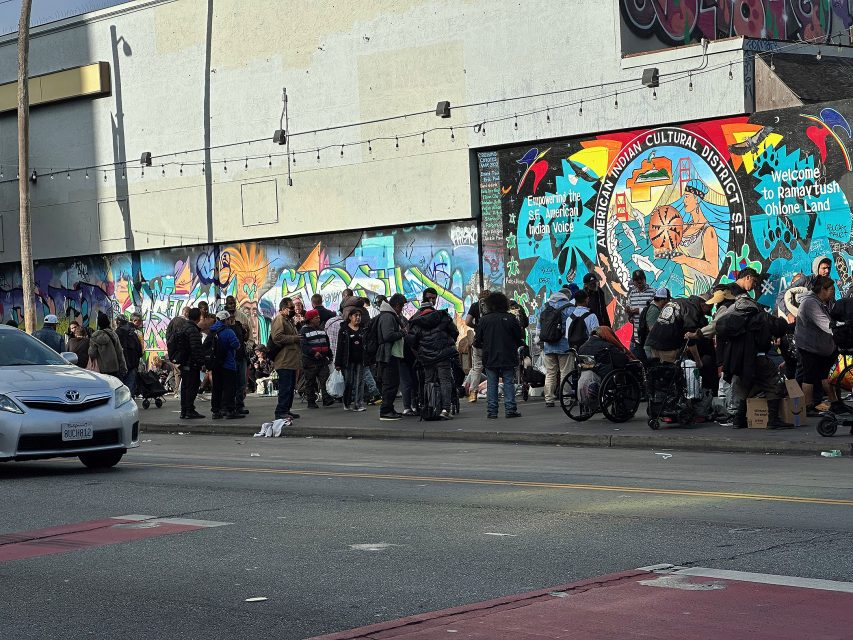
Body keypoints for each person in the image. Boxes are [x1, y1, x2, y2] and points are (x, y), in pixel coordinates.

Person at [708, 268, 792, 429]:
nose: (754, 286)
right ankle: (773, 419)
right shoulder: (757, 314)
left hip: (737, 357)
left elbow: (718, 330)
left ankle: (739, 419)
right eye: (754, 281)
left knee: (744, 385)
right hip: (755, 356)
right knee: (773, 382)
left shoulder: (736, 314)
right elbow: (773, 329)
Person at [795, 275, 847, 416]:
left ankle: (835, 403)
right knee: (809, 377)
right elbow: (826, 324)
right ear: (822, 290)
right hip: (809, 347)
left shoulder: (825, 302)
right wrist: (843, 330)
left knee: (825, 376)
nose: (833, 292)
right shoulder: (811, 304)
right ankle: (808, 406)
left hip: (822, 347)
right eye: (831, 289)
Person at [409, 289, 460, 420]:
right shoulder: (443, 316)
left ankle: (431, 407)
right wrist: (447, 343)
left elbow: (411, 341)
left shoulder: (416, 321)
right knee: (445, 381)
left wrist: (421, 350)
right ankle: (445, 409)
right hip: (443, 355)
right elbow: (454, 332)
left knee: (428, 381)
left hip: (426, 357)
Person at [474, 292, 524, 419]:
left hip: (490, 355)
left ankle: (492, 411)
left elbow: (477, 340)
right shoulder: (511, 318)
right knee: (508, 381)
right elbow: (519, 337)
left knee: (492, 383)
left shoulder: (484, 320)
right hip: (508, 354)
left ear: (490, 305)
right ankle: (510, 409)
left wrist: (485, 347)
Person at [541, 287, 575, 408]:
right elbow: (572, 327)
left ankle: (549, 399)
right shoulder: (570, 307)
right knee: (565, 372)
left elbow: (541, 327)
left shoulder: (546, 306)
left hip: (548, 345)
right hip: (564, 345)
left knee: (550, 373)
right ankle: (566, 399)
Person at [375, 293, 407, 420]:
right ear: (397, 305)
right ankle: (386, 410)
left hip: (392, 354)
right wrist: (402, 333)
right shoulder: (388, 316)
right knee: (390, 383)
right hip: (388, 355)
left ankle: (389, 408)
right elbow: (387, 335)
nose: (402, 309)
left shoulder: (389, 315)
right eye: (402, 306)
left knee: (393, 383)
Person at [207, 310, 243, 420]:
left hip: (216, 365)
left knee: (217, 388)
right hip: (228, 364)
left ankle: (216, 411)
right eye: (229, 319)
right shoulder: (228, 332)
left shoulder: (212, 331)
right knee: (229, 388)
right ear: (226, 320)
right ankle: (229, 410)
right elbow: (236, 345)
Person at [270, 297, 302, 421]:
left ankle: (287, 409)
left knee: (290, 387)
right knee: (285, 387)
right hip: (284, 360)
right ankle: (281, 411)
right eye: (291, 308)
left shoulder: (288, 320)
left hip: (291, 360)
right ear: (283, 309)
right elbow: (277, 337)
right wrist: (294, 338)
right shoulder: (279, 320)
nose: (294, 310)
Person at [173, 307, 205, 419]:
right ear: (198, 317)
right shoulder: (193, 330)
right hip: (191, 363)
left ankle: (185, 410)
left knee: (186, 387)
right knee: (192, 386)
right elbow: (195, 348)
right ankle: (189, 410)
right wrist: (201, 362)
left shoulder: (184, 327)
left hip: (184, 362)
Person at [299, 309, 334, 409]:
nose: (318, 319)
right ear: (310, 319)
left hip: (322, 360)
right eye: (316, 318)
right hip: (310, 361)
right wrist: (313, 352)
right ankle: (311, 401)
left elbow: (326, 342)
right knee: (310, 381)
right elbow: (304, 346)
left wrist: (329, 355)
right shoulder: (304, 330)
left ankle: (326, 399)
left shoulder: (321, 329)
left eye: (318, 317)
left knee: (325, 379)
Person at [335, 307, 367, 411]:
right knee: (349, 382)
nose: (358, 318)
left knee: (359, 382)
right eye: (355, 316)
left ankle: (358, 404)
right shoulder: (344, 330)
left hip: (360, 360)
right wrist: (338, 363)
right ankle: (347, 402)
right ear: (350, 317)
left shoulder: (363, 329)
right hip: (347, 361)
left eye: (359, 316)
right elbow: (339, 347)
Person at [225, 296, 251, 415]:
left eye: (233, 303)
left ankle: (239, 405)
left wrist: (247, 333)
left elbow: (247, 337)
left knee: (241, 382)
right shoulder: (222, 317)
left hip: (241, 355)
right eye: (229, 303)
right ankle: (229, 406)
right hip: (229, 356)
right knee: (230, 383)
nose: (232, 305)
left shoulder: (242, 317)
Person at [465, 289, 491, 402]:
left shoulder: (475, 306)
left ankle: (473, 393)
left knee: (476, 368)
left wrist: (476, 326)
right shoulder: (493, 306)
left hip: (478, 342)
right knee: (491, 368)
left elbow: (467, 322)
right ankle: (492, 393)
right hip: (491, 342)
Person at [626, 270, 656, 362]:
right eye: (636, 279)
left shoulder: (653, 292)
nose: (638, 281)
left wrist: (638, 310)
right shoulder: (632, 294)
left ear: (645, 279)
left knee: (649, 361)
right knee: (634, 361)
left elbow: (654, 310)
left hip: (648, 334)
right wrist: (629, 312)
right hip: (636, 334)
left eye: (641, 279)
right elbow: (629, 307)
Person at [88, 313, 127, 378]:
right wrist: (123, 367)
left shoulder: (95, 336)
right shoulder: (113, 334)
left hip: (101, 369)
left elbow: (92, 353)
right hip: (114, 367)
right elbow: (120, 352)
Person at [117, 313, 144, 396]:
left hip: (120, 364)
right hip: (132, 364)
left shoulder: (117, 333)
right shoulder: (135, 334)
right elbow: (140, 350)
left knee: (120, 387)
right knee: (130, 389)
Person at [639, 288, 670, 360]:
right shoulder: (654, 310)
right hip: (651, 348)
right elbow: (652, 329)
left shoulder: (656, 308)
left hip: (653, 347)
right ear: (663, 300)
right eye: (667, 300)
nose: (668, 303)